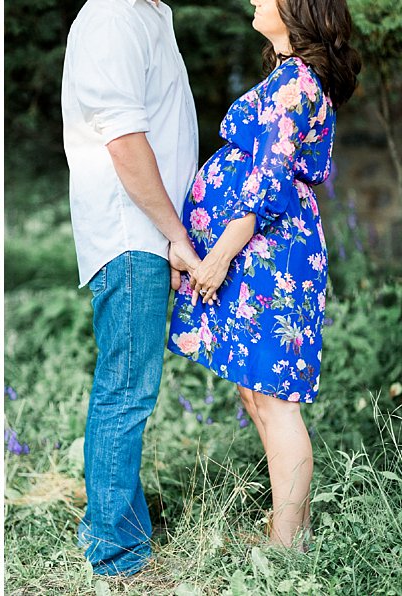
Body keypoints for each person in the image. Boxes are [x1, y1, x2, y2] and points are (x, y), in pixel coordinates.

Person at [168, 0, 360, 548]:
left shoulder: (296, 81)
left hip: (267, 252)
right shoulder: (286, 74)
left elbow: (267, 183)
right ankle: (290, 530)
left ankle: (285, 543)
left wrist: (219, 254)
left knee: (274, 398)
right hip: (260, 250)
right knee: (256, 395)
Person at [62, 0, 202, 575]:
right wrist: (177, 236)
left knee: (131, 386)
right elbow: (123, 142)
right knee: (126, 389)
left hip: (149, 234)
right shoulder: (113, 16)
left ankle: (114, 522)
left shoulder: (150, 12)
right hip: (130, 235)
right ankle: (116, 551)